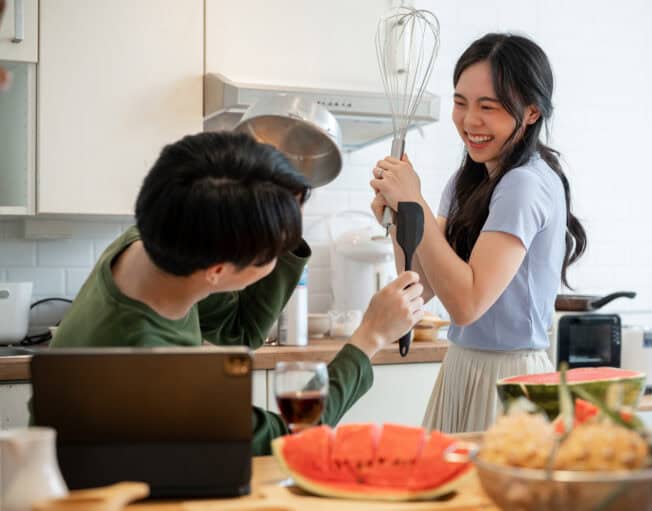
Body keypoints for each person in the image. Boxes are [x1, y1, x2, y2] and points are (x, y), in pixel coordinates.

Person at [49, 131, 424, 454]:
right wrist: (369, 336)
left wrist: (272, 191)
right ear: (218, 272)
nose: (280, 257)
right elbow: (290, 435)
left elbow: (239, 332)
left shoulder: (148, 247)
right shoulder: (158, 372)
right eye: (274, 251)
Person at [370, 33, 587, 433]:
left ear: (532, 112)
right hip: (461, 366)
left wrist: (415, 202)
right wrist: (401, 216)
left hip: (510, 380)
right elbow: (420, 286)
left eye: (487, 107)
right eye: (460, 102)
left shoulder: (525, 184)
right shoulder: (467, 181)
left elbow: (467, 304)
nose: (470, 121)